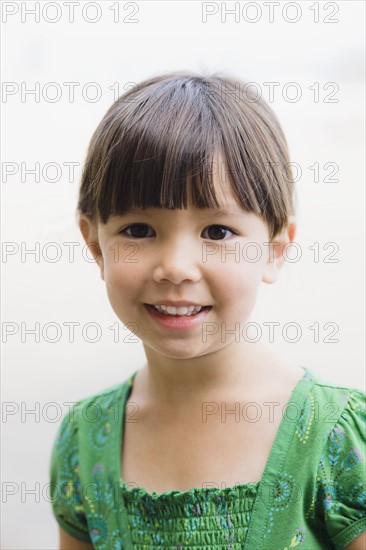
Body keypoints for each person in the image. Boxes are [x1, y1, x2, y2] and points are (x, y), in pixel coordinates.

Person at [49, 72, 366, 549]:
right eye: (138, 229)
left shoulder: (335, 440)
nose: (176, 268)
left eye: (217, 232)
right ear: (96, 245)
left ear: (275, 250)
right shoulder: (85, 439)